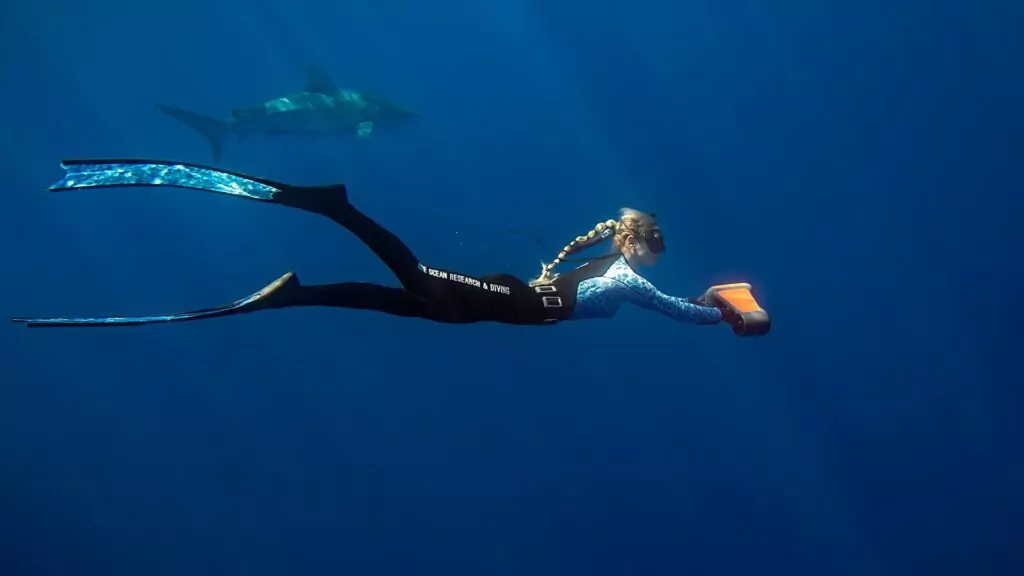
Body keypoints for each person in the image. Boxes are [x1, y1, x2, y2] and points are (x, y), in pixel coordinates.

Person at [12, 159, 770, 336]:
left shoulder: (607, 261)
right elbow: (675, 310)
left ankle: (295, 294)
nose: (655, 267)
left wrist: (708, 300)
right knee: (409, 276)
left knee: (395, 301)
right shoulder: (630, 279)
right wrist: (718, 312)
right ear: (644, 251)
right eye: (656, 257)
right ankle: (336, 208)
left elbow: (582, 284)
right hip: (503, 300)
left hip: (501, 306)